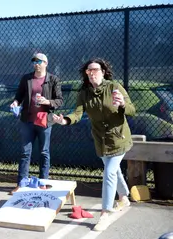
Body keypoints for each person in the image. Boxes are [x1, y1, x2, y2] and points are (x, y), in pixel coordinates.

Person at [52, 58, 135, 231]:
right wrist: (65, 120)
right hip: (101, 140)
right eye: (88, 71)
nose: (91, 73)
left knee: (109, 172)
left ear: (103, 71)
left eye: (95, 70)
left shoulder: (115, 87)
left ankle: (105, 213)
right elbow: (77, 113)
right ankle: (124, 197)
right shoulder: (84, 93)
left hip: (119, 138)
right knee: (115, 170)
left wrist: (122, 105)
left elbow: (132, 110)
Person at [9, 53, 63, 195]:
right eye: (34, 61)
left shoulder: (53, 79)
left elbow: (59, 100)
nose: (36, 63)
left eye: (39, 61)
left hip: (44, 121)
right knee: (25, 153)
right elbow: (18, 96)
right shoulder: (26, 78)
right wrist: (15, 103)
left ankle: (43, 184)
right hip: (27, 121)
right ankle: (21, 184)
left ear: (46, 63)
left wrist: (48, 102)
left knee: (44, 152)